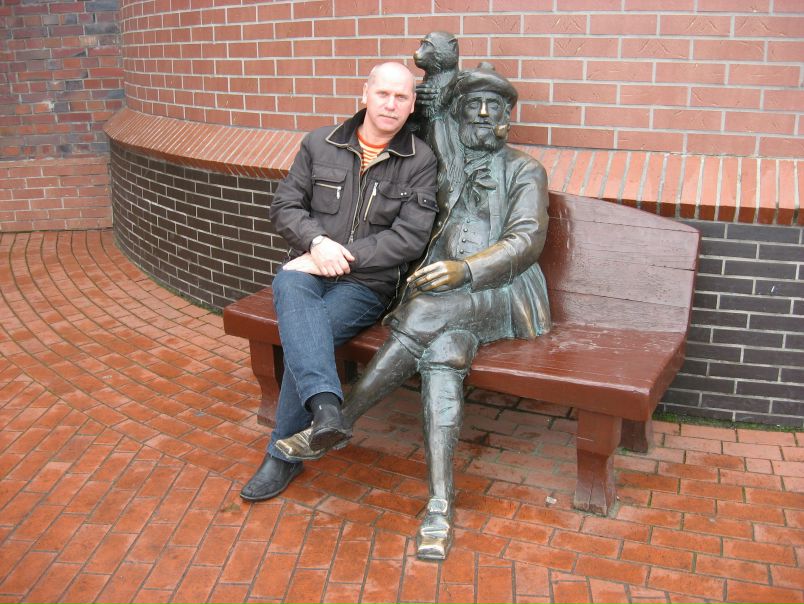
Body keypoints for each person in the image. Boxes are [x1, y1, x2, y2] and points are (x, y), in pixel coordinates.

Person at [276, 65, 552, 560]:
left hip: (501, 293)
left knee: (425, 313)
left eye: (493, 107)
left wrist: (465, 270)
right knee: (444, 355)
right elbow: (426, 109)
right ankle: (440, 508)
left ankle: (341, 418)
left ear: (508, 117)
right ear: (458, 114)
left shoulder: (524, 170)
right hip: (446, 305)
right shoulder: (442, 161)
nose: (482, 114)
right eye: (473, 105)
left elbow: (526, 240)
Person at [239, 62, 438, 503]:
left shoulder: (420, 160)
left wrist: (340, 257)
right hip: (307, 268)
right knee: (291, 286)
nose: (391, 104)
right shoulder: (319, 143)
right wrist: (317, 244)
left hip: (366, 284)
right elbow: (285, 206)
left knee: (309, 333)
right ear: (365, 94)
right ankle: (327, 409)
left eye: (401, 97)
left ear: (411, 106)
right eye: (383, 93)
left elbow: (410, 237)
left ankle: (282, 454)